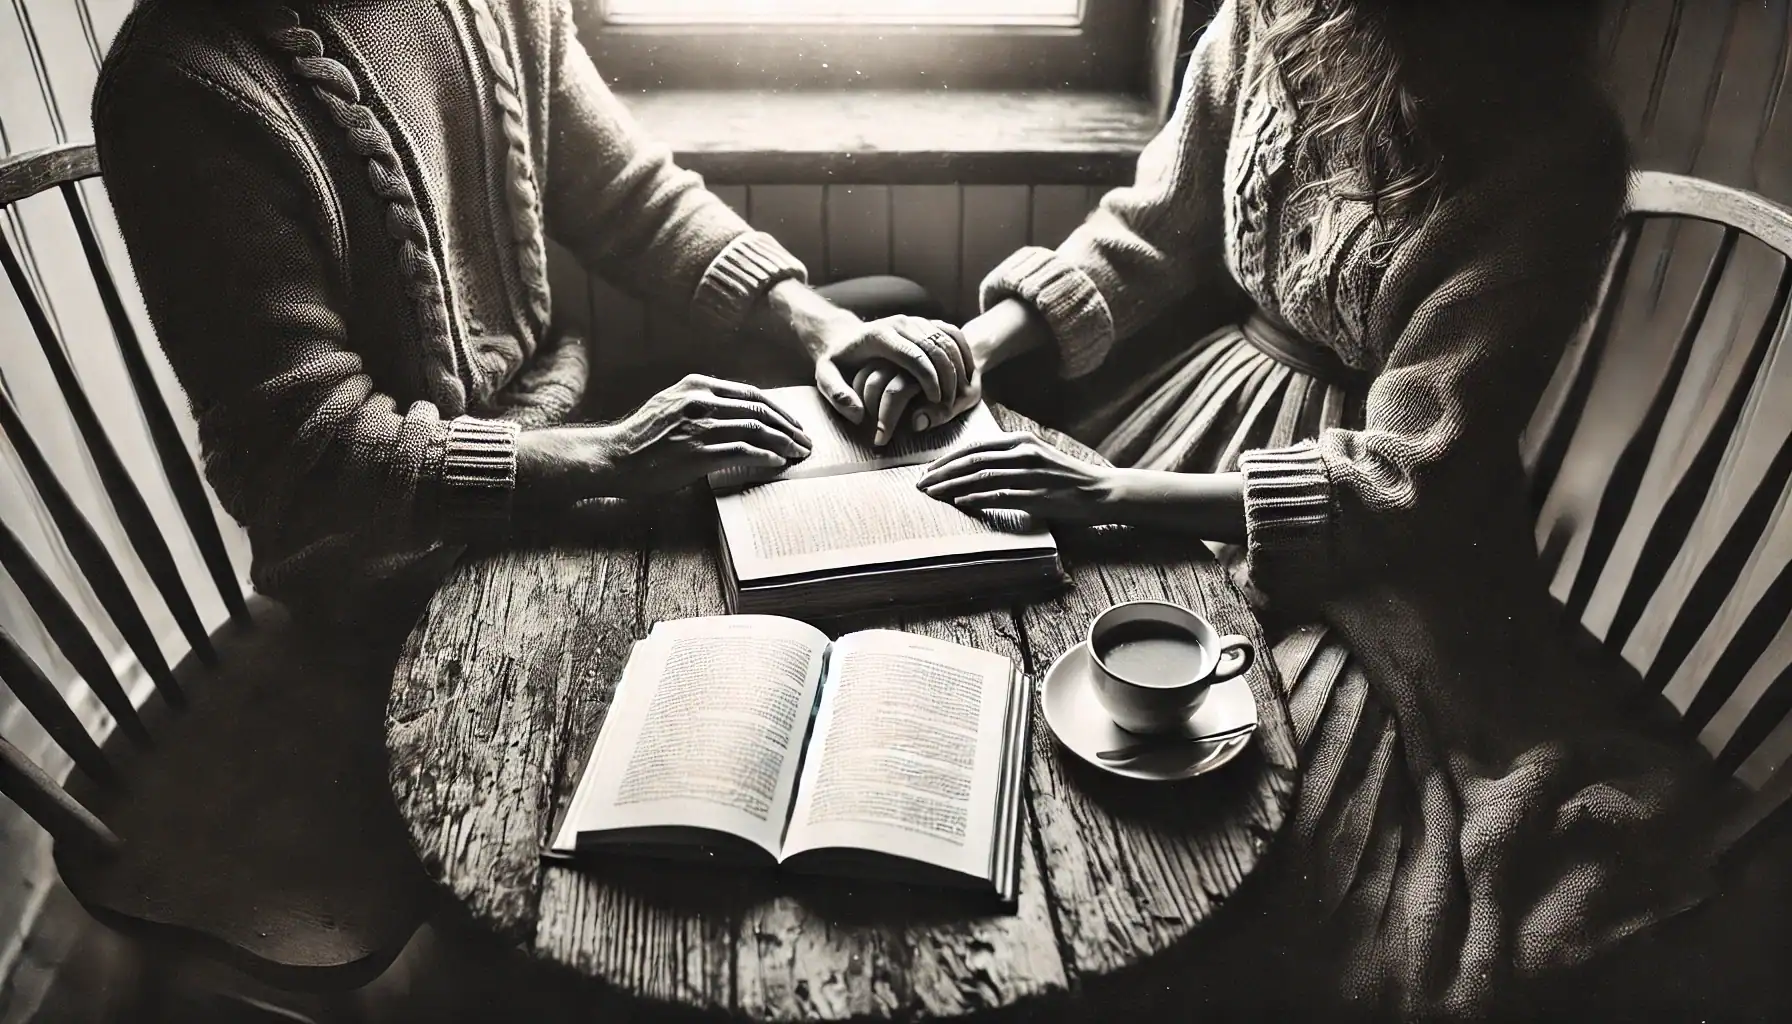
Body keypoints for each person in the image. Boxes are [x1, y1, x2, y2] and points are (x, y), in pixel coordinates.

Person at [894, 0, 1754, 1018]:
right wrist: (976, 343)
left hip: (1372, 533)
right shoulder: (1266, 19)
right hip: (1201, 406)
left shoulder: (1551, 149)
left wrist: (1114, 496)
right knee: (1001, 646)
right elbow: (1146, 237)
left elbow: (1409, 480)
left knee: (1195, 792)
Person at [92, 0, 972, 623]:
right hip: (406, 548)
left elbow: (632, 198)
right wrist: (612, 459)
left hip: (576, 433)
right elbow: (303, 455)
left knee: (890, 323)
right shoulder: (182, 84)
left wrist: (819, 326)